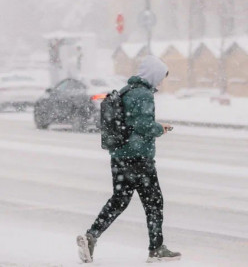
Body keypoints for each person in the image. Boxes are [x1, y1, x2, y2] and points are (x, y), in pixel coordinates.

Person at [77, 55, 181, 263]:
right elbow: (143, 126)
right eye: (160, 77)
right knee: (154, 202)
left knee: (120, 200)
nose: (160, 82)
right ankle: (156, 248)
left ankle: (91, 236)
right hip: (138, 156)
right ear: (152, 75)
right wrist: (161, 128)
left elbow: (130, 122)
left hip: (120, 156)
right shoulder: (143, 95)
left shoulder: (127, 91)